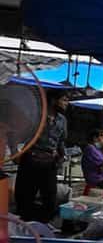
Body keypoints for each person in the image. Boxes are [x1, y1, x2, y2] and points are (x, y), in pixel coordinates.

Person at [15, 89, 69, 222]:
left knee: (50, 200)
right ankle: (25, 228)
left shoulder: (62, 120)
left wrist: (61, 157)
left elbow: (61, 141)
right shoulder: (35, 116)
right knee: (24, 198)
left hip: (49, 163)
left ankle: (43, 228)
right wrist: (14, 152)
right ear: (53, 101)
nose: (67, 103)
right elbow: (16, 135)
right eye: (64, 100)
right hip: (30, 161)